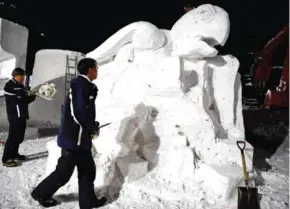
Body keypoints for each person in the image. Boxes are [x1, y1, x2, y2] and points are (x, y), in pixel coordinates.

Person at [31, 58, 107, 209]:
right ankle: (40, 194)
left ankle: (88, 202)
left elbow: (84, 112)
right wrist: (92, 127)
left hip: (81, 139)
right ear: (90, 69)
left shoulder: (85, 85)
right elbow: (78, 112)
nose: (97, 71)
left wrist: (92, 125)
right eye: (96, 68)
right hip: (73, 139)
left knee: (87, 170)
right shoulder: (79, 84)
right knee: (64, 173)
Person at [2, 67, 36, 167]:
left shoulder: (19, 85)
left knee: (19, 137)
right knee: (13, 137)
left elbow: (24, 99)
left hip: (21, 114)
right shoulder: (10, 85)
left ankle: (14, 154)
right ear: (16, 76)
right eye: (22, 76)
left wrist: (31, 97)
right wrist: (27, 95)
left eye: (24, 76)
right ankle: (6, 158)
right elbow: (18, 98)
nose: (23, 78)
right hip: (15, 116)